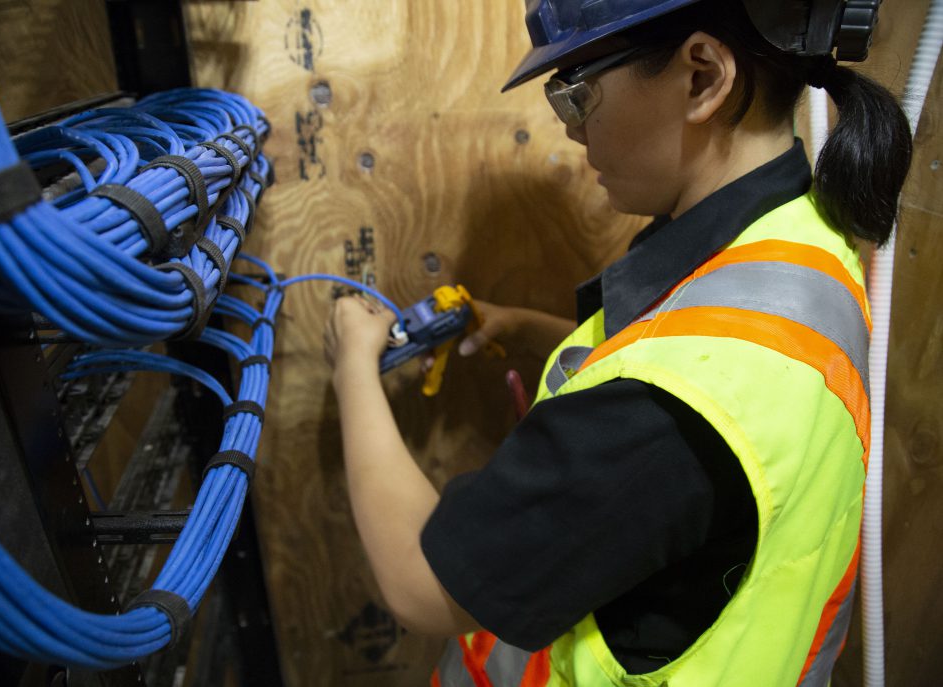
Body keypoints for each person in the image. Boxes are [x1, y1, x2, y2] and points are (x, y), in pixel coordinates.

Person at [322, 1, 912, 684]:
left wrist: (354, 366)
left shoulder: (661, 417)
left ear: (702, 77)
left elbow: (420, 584)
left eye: (575, 94)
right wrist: (524, 331)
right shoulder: (801, 239)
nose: (573, 134)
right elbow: (691, 357)